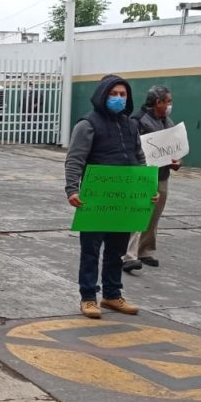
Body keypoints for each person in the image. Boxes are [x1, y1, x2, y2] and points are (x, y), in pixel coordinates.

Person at [65, 74, 156, 319]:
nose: (118, 98)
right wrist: (72, 189)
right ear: (102, 96)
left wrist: (147, 189)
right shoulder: (88, 124)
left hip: (124, 200)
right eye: (113, 94)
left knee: (116, 250)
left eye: (122, 94)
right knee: (91, 250)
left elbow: (139, 159)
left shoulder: (130, 125)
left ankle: (112, 295)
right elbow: (75, 159)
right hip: (96, 199)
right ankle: (88, 297)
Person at [122, 85, 181, 272]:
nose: (170, 105)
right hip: (143, 174)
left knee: (154, 215)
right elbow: (131, 146)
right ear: (158, 102)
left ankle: (144, 251)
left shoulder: (168, 122)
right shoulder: (138, 121)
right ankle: (129, 256)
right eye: (168, 101)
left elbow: (174, 147)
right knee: (138, 214)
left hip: (162, 175)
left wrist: (177, 161)